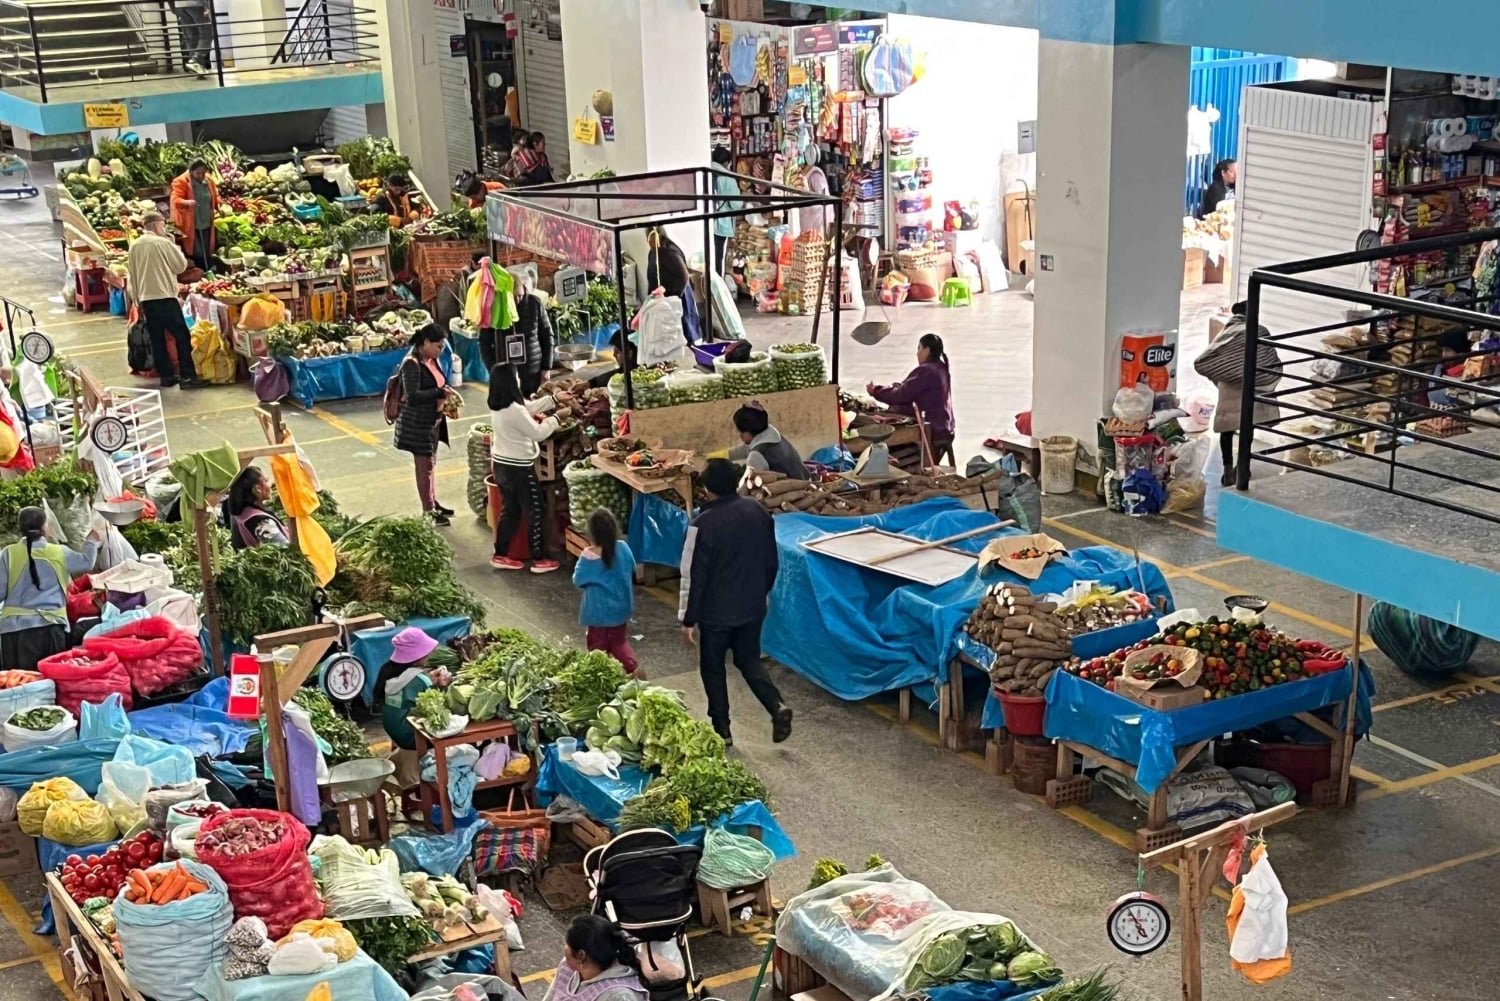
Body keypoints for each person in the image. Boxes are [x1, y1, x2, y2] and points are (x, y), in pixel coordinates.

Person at [679, 458, 792, 745]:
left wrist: (688, 618)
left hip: (716, 613)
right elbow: (770, 559)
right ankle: (776, 705)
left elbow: (693, 575)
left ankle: (723, 730)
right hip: (752, 605)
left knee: (713, 667)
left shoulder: (701, 524)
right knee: (748, 659)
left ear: (707, 490)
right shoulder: (756, 510)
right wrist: (763, 591)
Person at [0, 507, 100, 671]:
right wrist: (91, 542)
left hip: (14, 632)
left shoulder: (8, 554)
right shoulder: (59, 552)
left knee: (17, 685)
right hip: (51, 629)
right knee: (49, 683)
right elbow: (87, 562)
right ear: (45, 527)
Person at [1193, 300, 1281, 486]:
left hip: (1229, 390)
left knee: (1227, 430)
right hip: (1251, 387)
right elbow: (1272, 362)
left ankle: (1227, 469)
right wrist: (1254, 376)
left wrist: (1227, 375)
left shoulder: (1227, 332)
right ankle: (1243, 467)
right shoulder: (1260, 331)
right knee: (1247, 430)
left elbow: (1210, 359)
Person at [488, 363, 562, 573]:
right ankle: (538, 559)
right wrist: (556, 418)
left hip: (501, 465)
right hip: (518, 469)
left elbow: (526, 407)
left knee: (510, 511)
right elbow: (538, 433)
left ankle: (500, 554)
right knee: (536, 509)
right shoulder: (514, 410)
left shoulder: (500, 405)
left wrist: (554, 400)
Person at [126, 212, 203, 390]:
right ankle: (188, 376)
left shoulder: (135, 245)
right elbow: (180, 266)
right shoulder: (163, 243)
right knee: (182, 336)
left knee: (157, 338)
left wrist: (136, 300)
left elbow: (133, 274)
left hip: (146, 299)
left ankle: (166, 376)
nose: (164, 228)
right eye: (162, 224)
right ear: (156, 225)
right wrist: (174, 245)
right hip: (165, 297)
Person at [393, 325, 460, 525]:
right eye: (438, 346)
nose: (441, 351)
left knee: (431, 464)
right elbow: (412, 396)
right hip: (417, 424)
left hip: (434, 421)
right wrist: (439, 393)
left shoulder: (432, 360)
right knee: (424, 467)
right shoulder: (411, 364)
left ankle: (432, 502)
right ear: (426, 343)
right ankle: (428, 510)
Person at [371, 627, 451, 790]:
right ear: (417, 657)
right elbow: (436, 704)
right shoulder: (419, 680)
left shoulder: (391, 672)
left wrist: (429, 680)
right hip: (410, 734)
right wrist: (443, 686)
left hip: (392, 728)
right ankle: (415, 791)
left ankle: (394, 766)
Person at [866, 333, 957, 466]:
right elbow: (907, 388)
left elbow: (901, 395)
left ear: (927, 350)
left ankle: (898, 463)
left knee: (887, 424)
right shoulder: (940, 367)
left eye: (919, 348)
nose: (917, 353)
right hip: (945, 424)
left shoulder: (926, 370)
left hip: (933, 426)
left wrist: (876, 391)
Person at [573, 509, 638, 675]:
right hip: (621, 609)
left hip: (598, 614)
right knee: (618, 642)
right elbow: (632, 568)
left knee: (597, 649)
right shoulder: (623, 548)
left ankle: (628, 669)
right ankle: (630, 669)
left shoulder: (588, 556)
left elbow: (578, 580)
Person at [542, 915, 649, 1001]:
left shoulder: (618, 996)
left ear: (581, 955)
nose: (564, 948)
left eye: (567, 944)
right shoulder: (566, 967)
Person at [646, 229, 701, 343]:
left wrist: (675, 296)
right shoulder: (654, 252)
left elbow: (683, 276)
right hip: (665, 294)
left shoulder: (669, 251)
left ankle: (696, 345)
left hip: (679, 292)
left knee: (687, 322)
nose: (649, 242)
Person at [730, 402, 808, 480]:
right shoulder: (772, 433)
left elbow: (750, 485)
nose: (739, 435)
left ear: (746, 433)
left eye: (739, 431)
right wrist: (724, 454)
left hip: (792, 490)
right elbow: (748, 448)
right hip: (806, 481)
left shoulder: (755, 456)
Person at [169, 159, 219, 272]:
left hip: (206, 219)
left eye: (203, 172)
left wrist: (218, 206)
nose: (201, 176)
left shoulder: (209, 179)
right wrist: (186, 202)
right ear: (191, 171)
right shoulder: (181, 181)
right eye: (198, 173)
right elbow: (175, 199)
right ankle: (200, 271)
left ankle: (209, 269)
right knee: (196, 249)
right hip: (191, 222)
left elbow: (214, 195)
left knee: (207, 246)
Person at [223, 465, 288, 549]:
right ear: (258, 488)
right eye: (266, 481)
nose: (270, 486)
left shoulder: (240, 513)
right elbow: (286, 549)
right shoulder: (261, 522)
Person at [514, 273, 555, 397]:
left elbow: (547, 335)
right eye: (513, 297)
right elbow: (485, 343)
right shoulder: (499, 307)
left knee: (535, 405)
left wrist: (547, 367)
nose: (517, 300)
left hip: (533, 369)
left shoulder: (534, 303)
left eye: (519, 296)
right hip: (509, 372)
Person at [710, 148, 742, 276]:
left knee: (709, 256)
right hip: (721, 224)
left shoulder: (706, 172)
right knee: (719, 259)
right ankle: (719, 289)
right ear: (726, 162)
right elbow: (736, 204)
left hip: (706, 222)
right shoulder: (728, 178)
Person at [172, 0, 213, 77]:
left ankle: (197, 66)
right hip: (195, 4)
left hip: (179, 5)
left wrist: (173, 7)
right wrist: (208, 6)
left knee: (192, 35)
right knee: (207, 32)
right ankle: (197, 60)